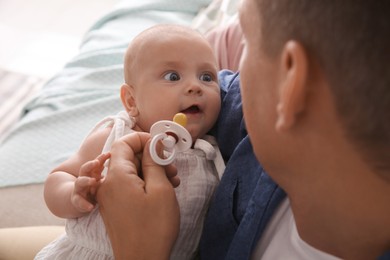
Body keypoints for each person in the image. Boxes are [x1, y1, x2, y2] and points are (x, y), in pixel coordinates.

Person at [96, 0, 390, 259]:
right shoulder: (234, 107)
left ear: (291, 84)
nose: (220, 80)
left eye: (246, 39)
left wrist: (139, 252)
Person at [35, 24, 224, 260]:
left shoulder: (212, 156)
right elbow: (57, 177)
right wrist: (74, 194)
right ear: (131, 101)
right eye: (172, 76)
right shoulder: (115, 136)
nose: (195, 86)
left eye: (207, 77)